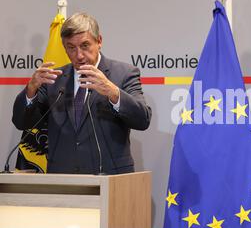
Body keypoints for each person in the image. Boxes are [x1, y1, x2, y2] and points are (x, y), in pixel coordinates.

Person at [12, 13, 151, 174]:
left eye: (85, 45)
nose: (79, 55)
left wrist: (113, 92)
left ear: (99, 41)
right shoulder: (53, 79)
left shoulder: (124, 74)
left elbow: (143, 120)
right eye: (71, 48)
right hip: (62, 179)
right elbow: (21, 122)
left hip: (109, 178)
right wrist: (31, 89)